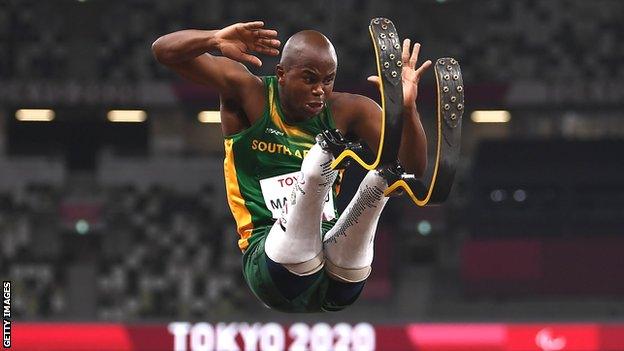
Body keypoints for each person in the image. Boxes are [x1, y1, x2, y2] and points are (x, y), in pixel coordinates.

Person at [152, 21, 430, 312]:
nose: (320, 91)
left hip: (336, 269)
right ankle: (323, 159)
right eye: (309, 79)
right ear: (282, 74)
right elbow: (163, 52)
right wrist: (213, 39)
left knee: (384, 181)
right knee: (319, 167)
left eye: (328, 80)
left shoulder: (350, 110)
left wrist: (407, 110)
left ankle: (373, 185)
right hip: (271, 267)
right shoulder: (249, 92)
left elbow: (411, 169)